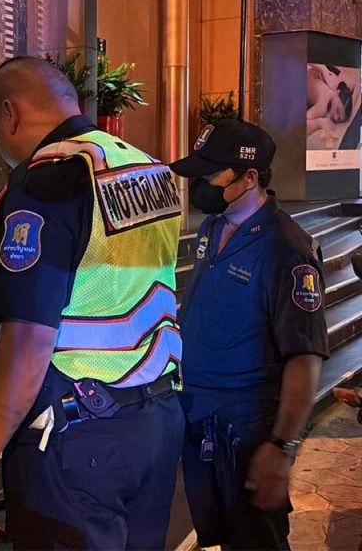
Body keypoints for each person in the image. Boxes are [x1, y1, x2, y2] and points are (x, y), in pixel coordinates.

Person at [0, 56, 185, 550]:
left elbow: (28, 339)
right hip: (156, 416)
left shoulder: (49, 182)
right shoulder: (147, 167)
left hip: (79, 436)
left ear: (10, 114)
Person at [170, 119, 329, 550]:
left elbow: (305, 357)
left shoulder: (287, 248)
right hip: (202, 415)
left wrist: (281, 445)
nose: (200, 185)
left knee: (256, 541)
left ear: (250, 177)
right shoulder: (214, 226)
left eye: (211, 175)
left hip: (249, 427)